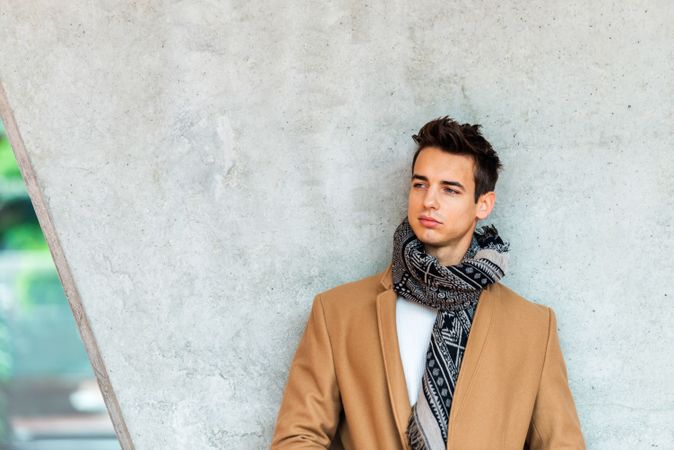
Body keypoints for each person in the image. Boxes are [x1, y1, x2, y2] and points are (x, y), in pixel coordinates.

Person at [270, 116, 586, 449]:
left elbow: (561, 444)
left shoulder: (533, 328)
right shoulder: (337, 313)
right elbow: (298, 437)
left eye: (450, 189)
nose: (429, 201)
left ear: (483, 204)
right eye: (420, 184)